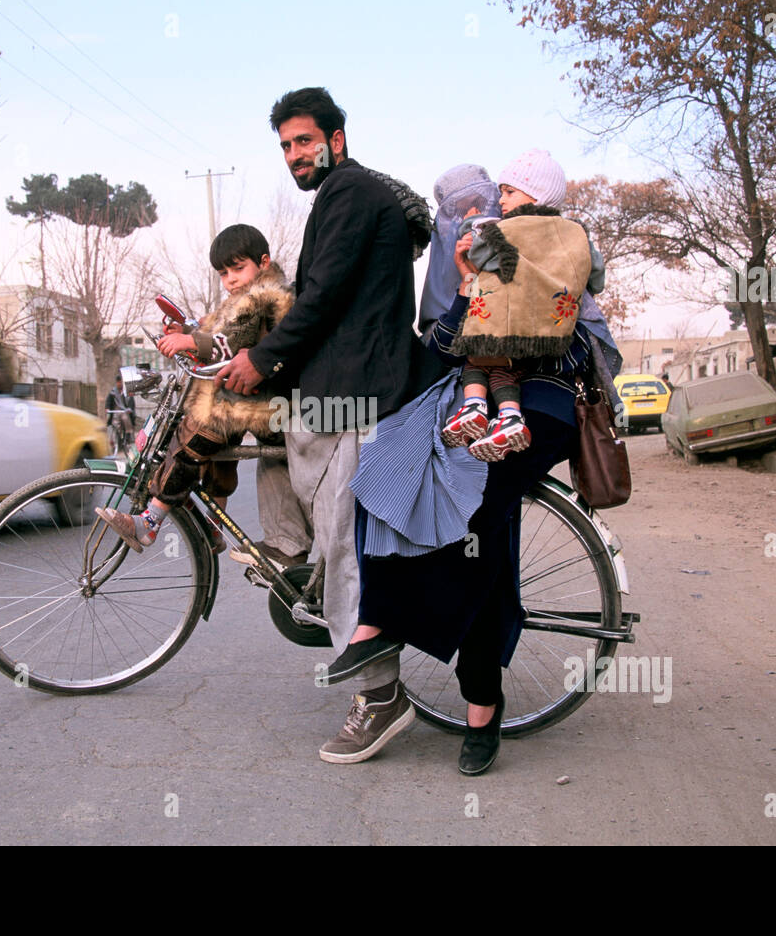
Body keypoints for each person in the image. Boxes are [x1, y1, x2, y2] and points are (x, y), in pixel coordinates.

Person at [332, 158, 622, 775]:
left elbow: (585, 351)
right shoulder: (474, 256)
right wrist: (469, 289)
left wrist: (522, 309)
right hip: (473, 405)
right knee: (385, 468)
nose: (485, 212)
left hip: (542, 404)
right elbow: (441, 347)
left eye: (503, 197)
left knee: (478, 519)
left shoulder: (559, 254)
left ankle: (475, 698)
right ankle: (379, 624)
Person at [214, 87, 442, 764]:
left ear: (335, 139)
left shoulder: (350, 194)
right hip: (339, 391)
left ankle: (380, 698)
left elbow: (324, 296)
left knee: (343, 543)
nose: (294, 154)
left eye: (304, 140)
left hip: (358, 395)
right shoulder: (343, 199)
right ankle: (329, 612)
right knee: (331, 536)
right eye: (285, 145)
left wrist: (265, 358)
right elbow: (323, 305)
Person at [95, 224, 294, 551]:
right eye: (223, 272)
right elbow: (220, 332)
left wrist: (189, 339)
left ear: (263, 262)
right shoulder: (246, 296)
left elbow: (233, 341)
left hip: (275, 403)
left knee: (201, 428)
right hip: (257, 398)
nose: (230, 278)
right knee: (215, 444)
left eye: (238, 268)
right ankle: (214, 527)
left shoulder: (266, 295)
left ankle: (150, 521)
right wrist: (188, 328)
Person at [439, 148, 603, 462]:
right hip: (552, 335)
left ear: (537, 196)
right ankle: (510, 419)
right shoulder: (578, 235)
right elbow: (596, 278)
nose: (501, 201)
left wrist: (474, 228)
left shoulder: (504, 229)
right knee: (508, 373)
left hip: (503, 328)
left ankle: (474, 408)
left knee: (478, 362)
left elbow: (481, 254)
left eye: (509, 192)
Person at [105, 373, 136, 452]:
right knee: (114, 424)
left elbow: (131, 402)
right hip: (116, 412)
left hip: (124, 411)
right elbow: (108, 401)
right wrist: (107, 408)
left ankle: (129, 435)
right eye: (118, 382)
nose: (119, 384)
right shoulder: (113, 392)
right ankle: (115, 440)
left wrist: (129, 409)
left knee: (126, 419)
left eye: (121, 382)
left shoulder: (126, 392)